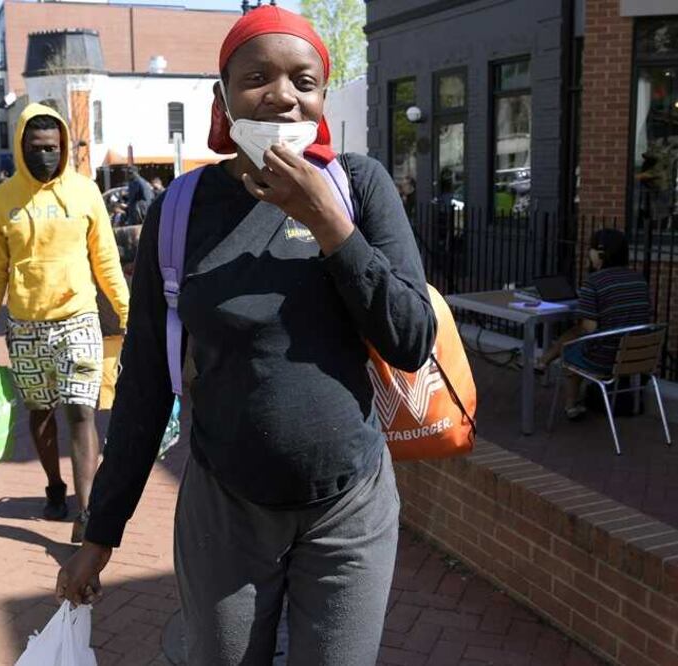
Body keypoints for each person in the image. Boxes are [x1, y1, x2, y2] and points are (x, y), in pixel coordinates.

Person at [56, 7, 436, 665]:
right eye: (256, 77)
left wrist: (326, 224)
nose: (282, 96)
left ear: (320, 97)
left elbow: (410, 338)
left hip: (348, 505)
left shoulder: (357, 186)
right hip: (224, 510)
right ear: (223, 98)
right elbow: (146, 379)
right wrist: (100, 531)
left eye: (303, 80)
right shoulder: (181, 207)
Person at [0, 104, 129, 543]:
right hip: (25, 326)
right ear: (21, 148)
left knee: (81, 411)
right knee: (40, 414)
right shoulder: (2, 201)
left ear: (64, 149)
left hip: (79, 319)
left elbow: (107, 262)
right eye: (37, 149)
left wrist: (130, 314)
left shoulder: (85, 193)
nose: (46, 157)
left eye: (54, 149)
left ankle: (88, 509)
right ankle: (54, 486)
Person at [537, 228, 650, 420]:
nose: (587, 253)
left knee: (573, 346)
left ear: (600, 253)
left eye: (590, 249)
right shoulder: (639, 279)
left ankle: (570, 404)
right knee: (579, 339)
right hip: (638, 357)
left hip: (605, 359)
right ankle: (543, 362)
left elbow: (588, 329)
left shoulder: (594, 282)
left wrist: (582, 312)